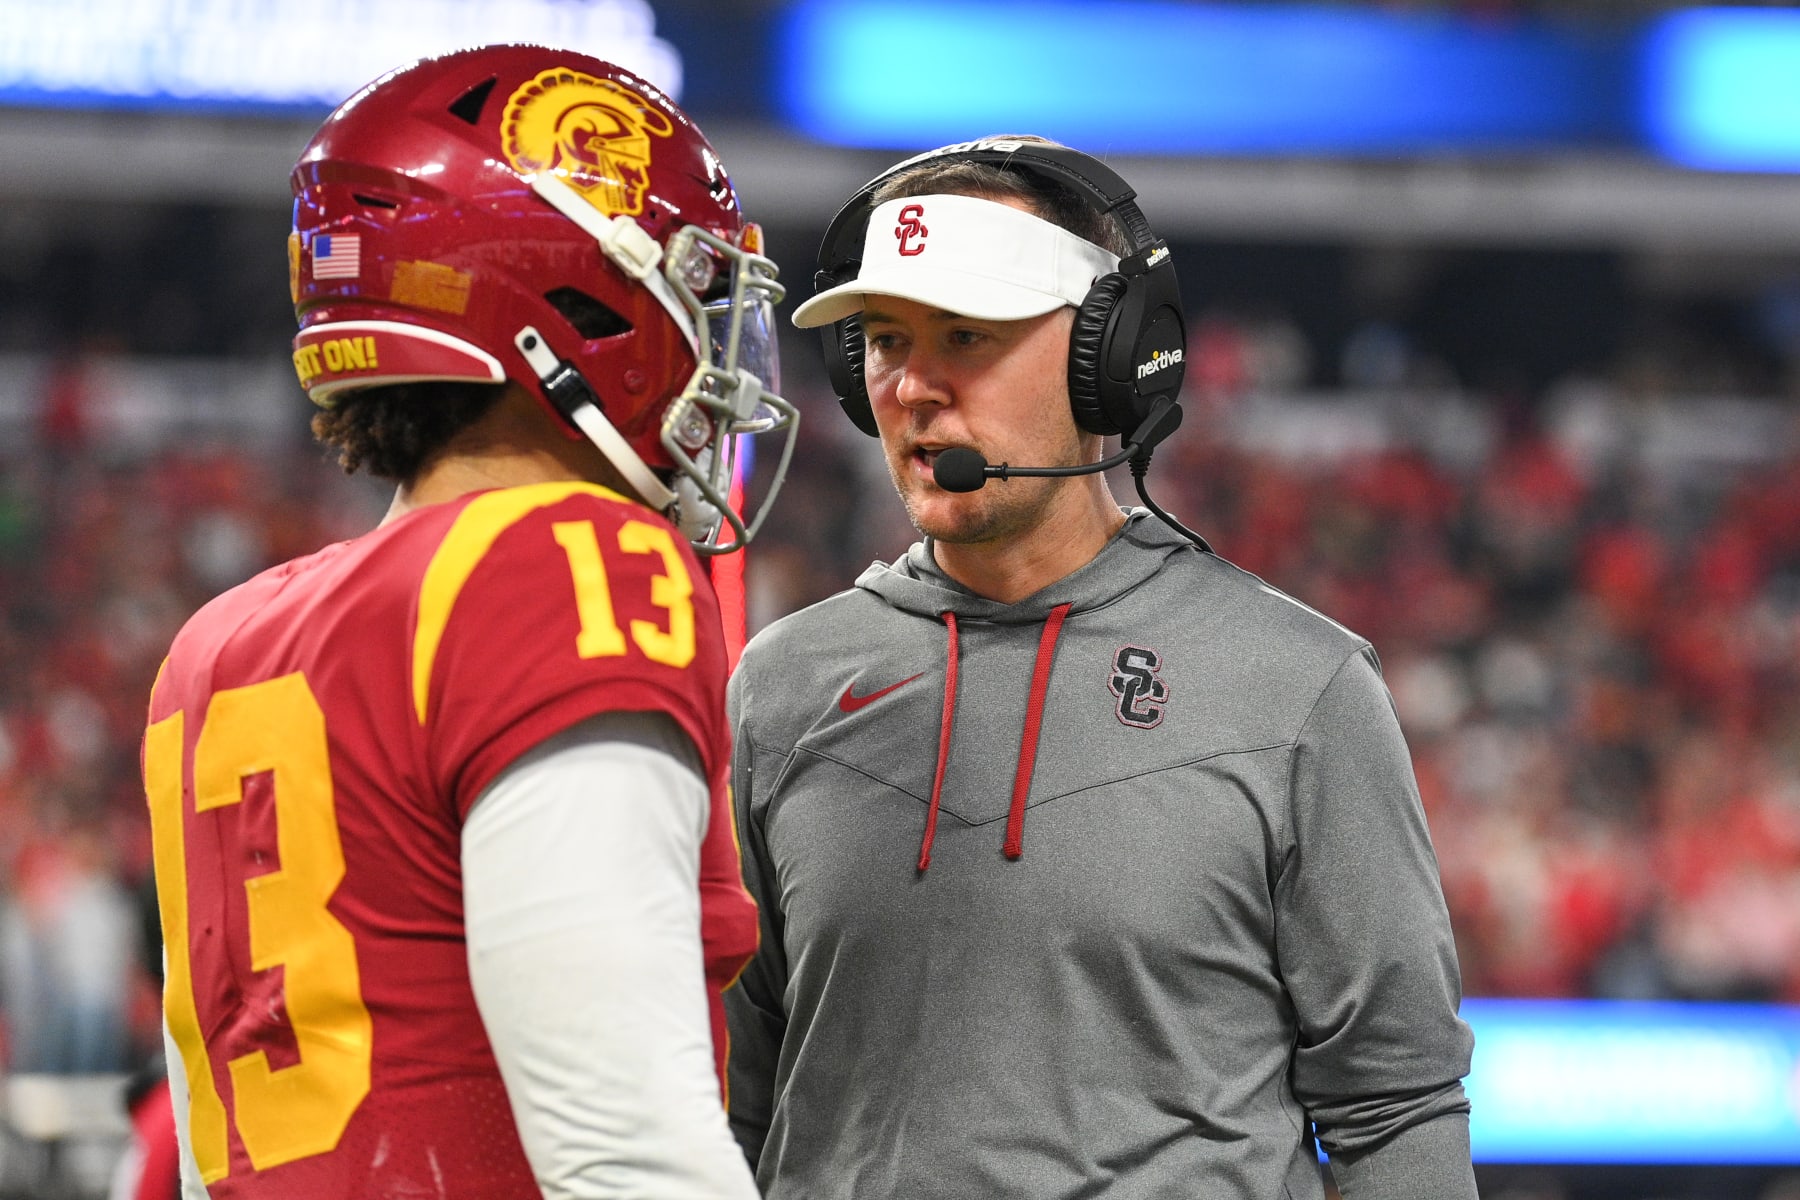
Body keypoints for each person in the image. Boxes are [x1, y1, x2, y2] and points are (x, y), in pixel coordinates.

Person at [723, 137, 1476, 1199]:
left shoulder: (1296, 688)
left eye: (967, 334)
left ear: (1106, 358)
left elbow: (1397, 1107)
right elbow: (734, 1102)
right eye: (885, 341)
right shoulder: (780, 688)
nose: (913, 387)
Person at [142, 45, 797, 1199]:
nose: (718, 354)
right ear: (584, 295)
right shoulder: (564, 562)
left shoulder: (219, 638)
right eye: (694, 288)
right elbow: (625, 1148)